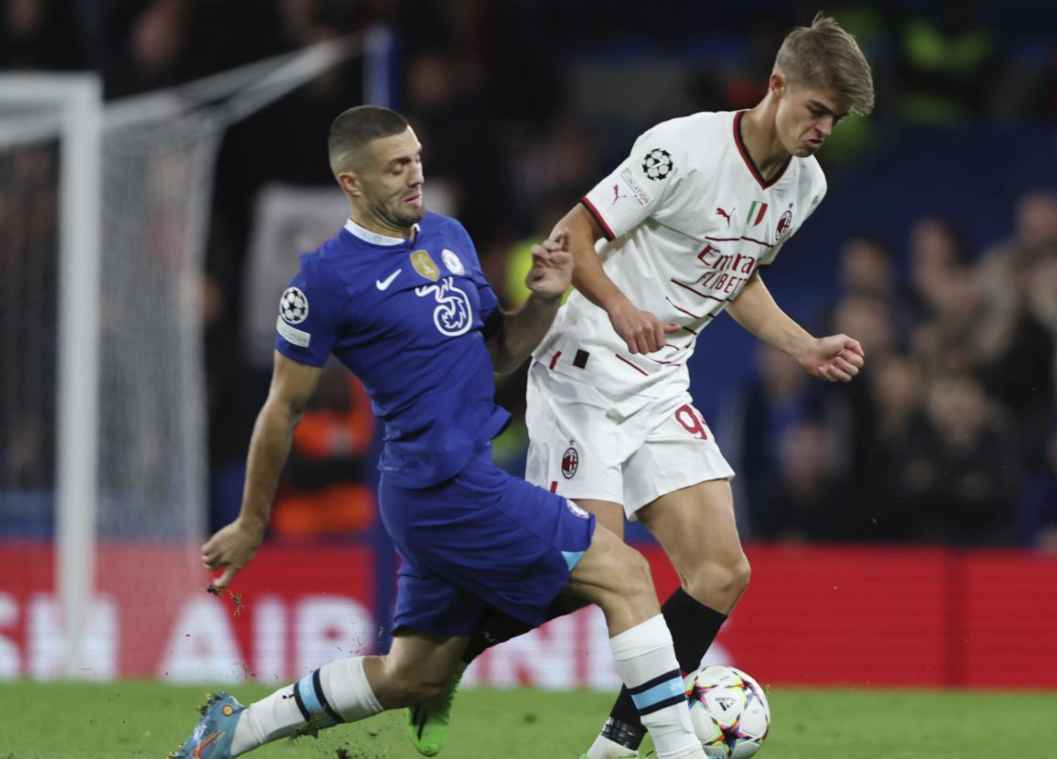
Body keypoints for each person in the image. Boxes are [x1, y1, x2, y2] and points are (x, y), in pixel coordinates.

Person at [169, 105, 707, 759]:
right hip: (440, 486)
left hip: (452, 479)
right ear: (352, 183)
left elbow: (500, 352)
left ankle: (235, 730)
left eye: (417, 159)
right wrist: (252, 521)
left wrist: (544, 299)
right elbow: (281, 410)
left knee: (412, 676)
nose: (415, 175)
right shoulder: (326, 279)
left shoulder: (448, 236)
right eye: (396, 167)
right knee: (625, 573)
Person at [407, 14, 874, 759]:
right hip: (587, 367)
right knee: (585, 574)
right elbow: (573, 233)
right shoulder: (682, 148)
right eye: (817, 109)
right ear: (777, 85)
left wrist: (804, 344)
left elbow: (737, 270)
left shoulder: (805, 186)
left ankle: (615, 747)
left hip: (660, 381)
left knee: (721, 571)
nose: (823, 129)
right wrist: (622, 308)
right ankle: (438, 651)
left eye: (835, 119)